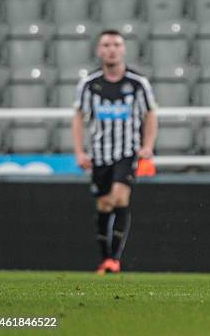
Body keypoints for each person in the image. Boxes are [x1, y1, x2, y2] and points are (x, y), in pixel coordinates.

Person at [72, 30, 158, 275]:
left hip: (126, 152)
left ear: (123, 49)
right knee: (104, 204)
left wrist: (148, 145)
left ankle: (114, 259)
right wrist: (79, 151)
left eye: (116, 44)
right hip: (100, 153)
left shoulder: (137, 83)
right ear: (99, 50)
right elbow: (78, 117)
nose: (111, 49)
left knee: (120, 197)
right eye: (106, 44)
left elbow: (150, 113)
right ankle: (105, 258)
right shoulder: (89, 84)